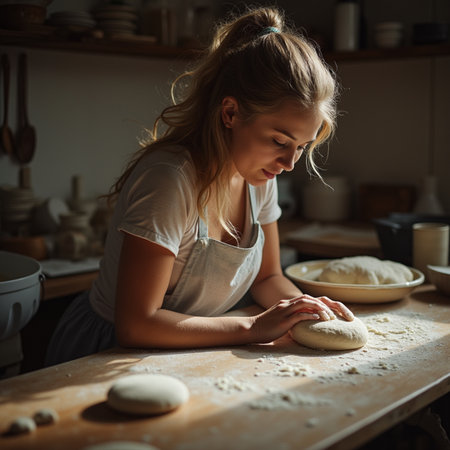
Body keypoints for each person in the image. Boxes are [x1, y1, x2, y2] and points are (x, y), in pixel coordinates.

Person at [45, 6, 354, 366]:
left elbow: (268, 277)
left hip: (183, 349)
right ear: (230, 113)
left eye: (301, 147)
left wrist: (304, 308)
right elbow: (137, 323)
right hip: (109, 352)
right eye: (279, 141)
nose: (289, 164)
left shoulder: (259, 176)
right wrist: (252, 326)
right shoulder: (170, 181)